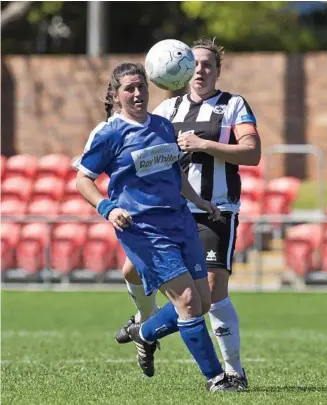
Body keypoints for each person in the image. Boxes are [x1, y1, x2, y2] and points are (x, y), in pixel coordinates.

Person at [74, 62, 238, 392]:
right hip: (143, 229)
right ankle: (217, 379)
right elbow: (83, 179)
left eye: (142, 87)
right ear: (116, 95)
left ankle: (144, 332)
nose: (137, 93)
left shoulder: (163, 126)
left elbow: (175, 173)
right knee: (189, 302)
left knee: (203, 303)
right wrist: (108, 207)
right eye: (129, 89)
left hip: (180, 221)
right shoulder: (108, 133)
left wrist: (200, 201)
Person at [115, 38, 261, 392]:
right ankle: (146, 326)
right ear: (181, 68)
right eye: (194, 64)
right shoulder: (168, 109)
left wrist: (205, 144)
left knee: (211, 294)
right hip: (171, 212)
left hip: (215, 211)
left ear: (217, 71)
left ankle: (234, 372)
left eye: (208, 64)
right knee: (131, 269)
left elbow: (252, 153)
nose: (200, 70)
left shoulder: (233, 105)